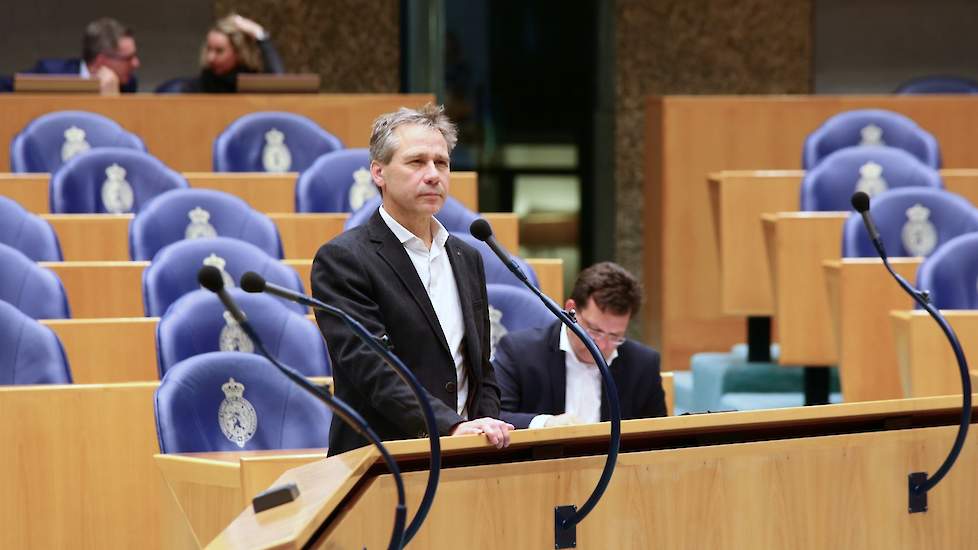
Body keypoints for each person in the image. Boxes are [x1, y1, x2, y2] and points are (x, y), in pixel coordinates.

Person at [312, 103, 514, 455]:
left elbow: (480, 368)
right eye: (417, 162)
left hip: (466, 458)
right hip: (382, 462)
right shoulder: (344, 259)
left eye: (442, 163)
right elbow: (372, 369)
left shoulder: (468, 258)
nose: (433, 174)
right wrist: (450, 426)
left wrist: (484, 428)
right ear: (379, 173)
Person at [494, 262, 667, 429]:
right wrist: (545, 423)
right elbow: (495, 417)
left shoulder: (643, 364)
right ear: (571, 310)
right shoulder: (519, 351)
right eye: (594, 331)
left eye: (615, 336)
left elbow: (658, 436)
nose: (601, 345)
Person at [25, 17, 140, 95]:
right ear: (101, 61)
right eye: (128, 58)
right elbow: (7, 89)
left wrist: (112, 101)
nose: (136, 63)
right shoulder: (51, 72)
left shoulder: (127, 85)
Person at [185, 14, 284, 93]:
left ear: (239, 53)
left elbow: (278, 84)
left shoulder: (253, 84)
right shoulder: (194, 87)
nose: (210, 57)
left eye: (219, 51)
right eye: (209, 49)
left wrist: (260, 35)